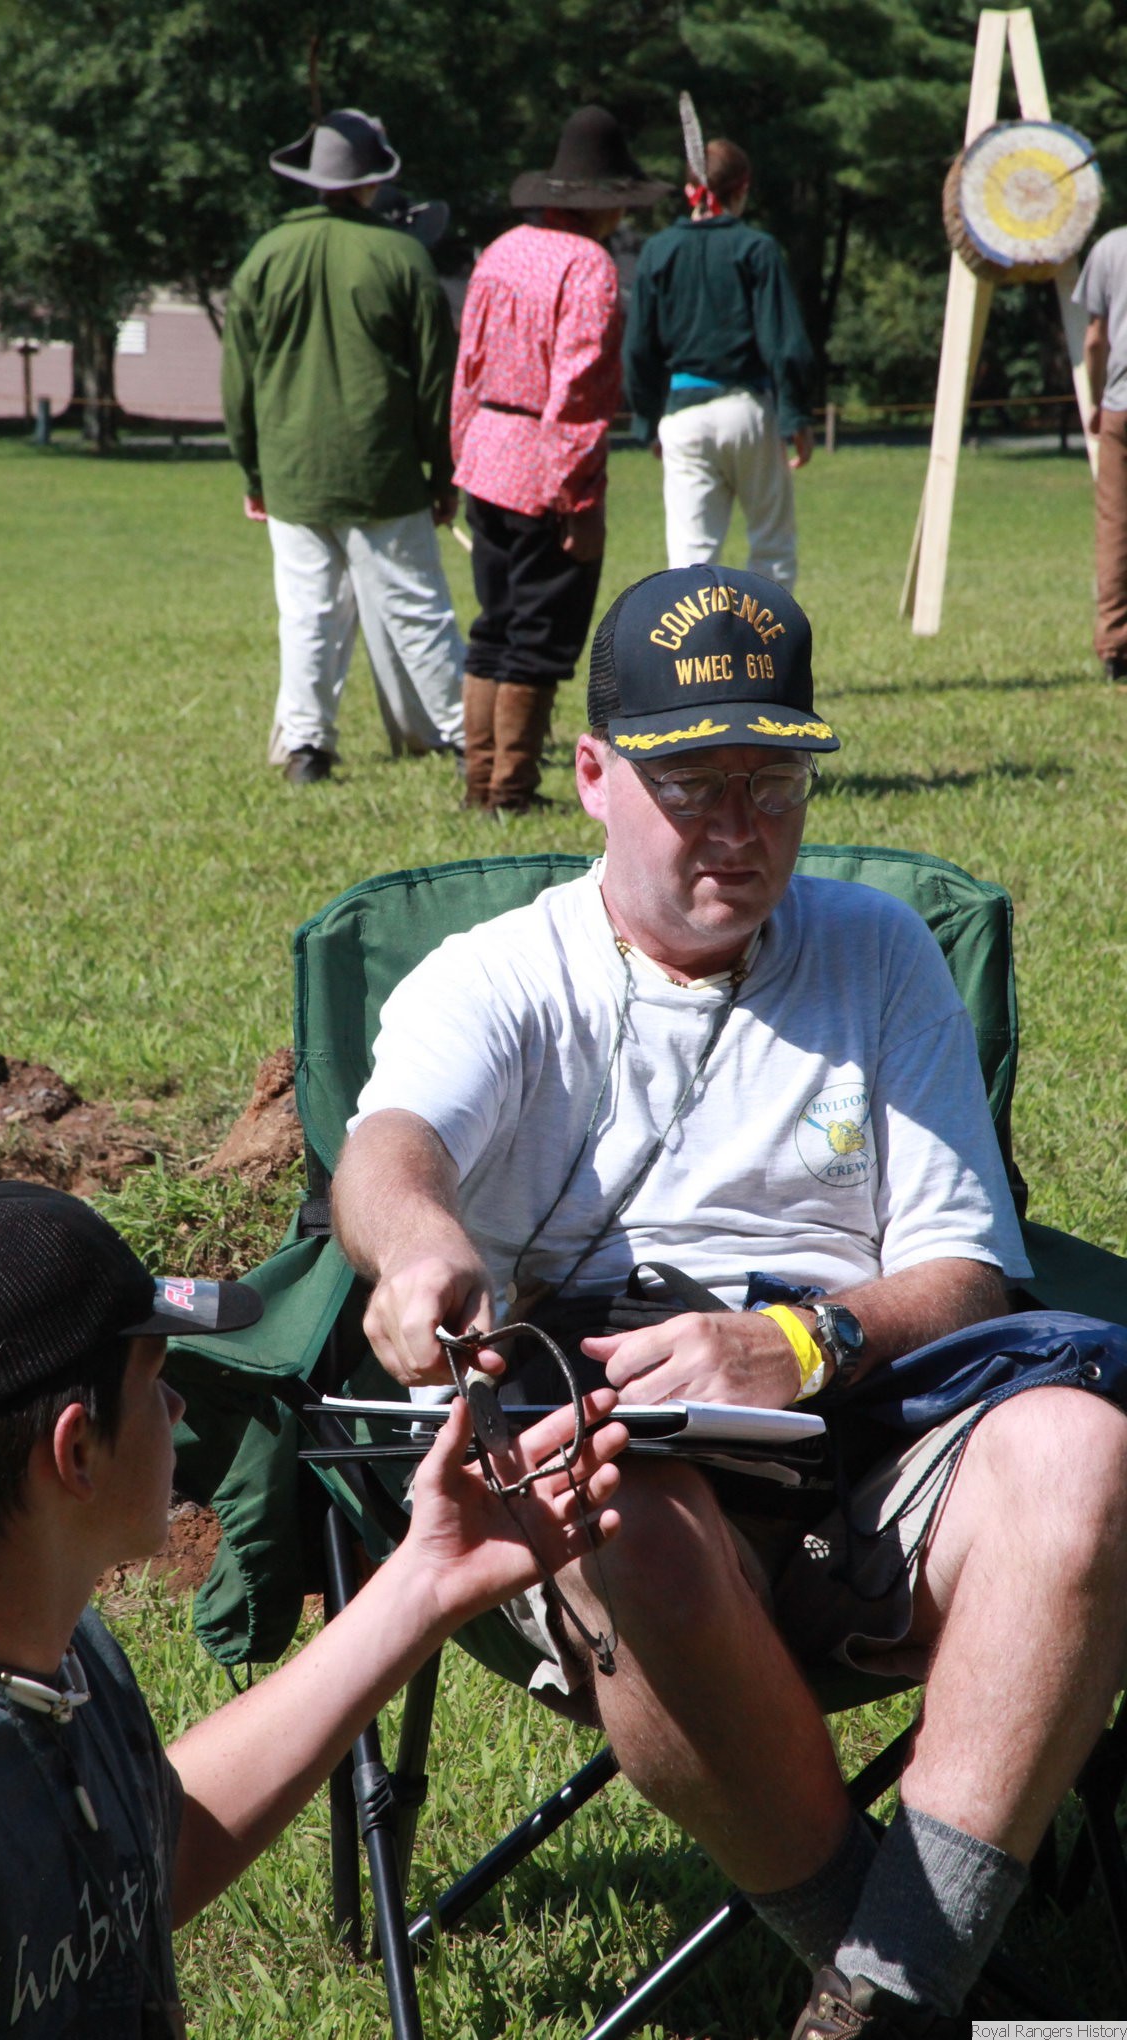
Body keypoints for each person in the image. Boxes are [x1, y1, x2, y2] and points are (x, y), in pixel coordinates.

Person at [331, 564, 1127, 2037]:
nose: (740, 828)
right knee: (622, 1500)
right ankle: (899, 1980)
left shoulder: (877, 952)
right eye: (693, 786)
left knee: (1084, 1451)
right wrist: (419, 1247)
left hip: (866, 1450)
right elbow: (392, 1150)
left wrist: (797, 1342)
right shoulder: (499, 978)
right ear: (592, 776)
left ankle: (878, 1998)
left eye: (775, 784)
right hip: (612, 1490)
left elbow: (966, 1267)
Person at [0, 1180, 623, 2035]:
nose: (176, 1409)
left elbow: (151, 1863)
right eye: (155, 1380)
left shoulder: (59, 1653)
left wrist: (427, 1580)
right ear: (76, 1452)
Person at [221, 108, 466, 784]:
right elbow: (436, 383)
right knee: (419, 610)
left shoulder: (265, 256)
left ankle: (307, 749)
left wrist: (253, 472)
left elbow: (237, 381)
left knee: (307, 614)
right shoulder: (403, 256)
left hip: (292, 473)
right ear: (372, 181)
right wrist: (443, 474)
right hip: (384, 469)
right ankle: (468, 737)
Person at [450, 106, 670, 814]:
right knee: (538, 635)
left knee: (494, 623)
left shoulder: (500, 251)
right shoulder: (589, 267)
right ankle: (510, 789)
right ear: (602, 203)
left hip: (486, 456)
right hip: (544, 469)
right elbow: (578, 391)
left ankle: (480, 782)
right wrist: (576, 498)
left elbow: (467, 367)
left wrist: (463, 453)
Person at [624, 139, 815, 590]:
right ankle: (771, 636)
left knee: (690, 558)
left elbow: (637, 350)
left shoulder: (658, 251)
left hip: (684, 418)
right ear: (741, 189)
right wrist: (795, 416)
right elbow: (786, 344)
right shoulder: (757, 249)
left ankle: (690, 639)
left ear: (689, 189)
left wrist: (648, 422)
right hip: (747, 412)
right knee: (772, 547)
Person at [1073, 228, 1127, 680]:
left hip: (1119, 406)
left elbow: (1095, 340)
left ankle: (1114, 645)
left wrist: (1095, 402)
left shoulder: (1110, 248)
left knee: (1116, 526)